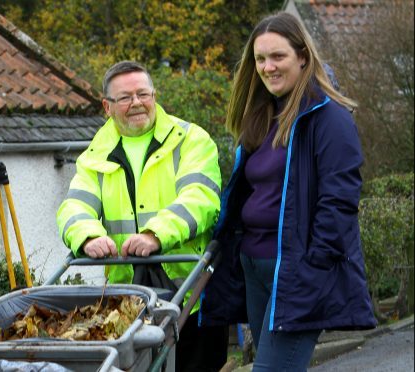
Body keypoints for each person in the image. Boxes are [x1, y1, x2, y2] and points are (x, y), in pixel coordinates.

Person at [199, 11, 376, 371]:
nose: (268, 67)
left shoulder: (329, 117)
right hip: (254, 267)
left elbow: (339, 203)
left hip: (296, 272)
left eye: (278, 56)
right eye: (260, 59)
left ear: (303, 57)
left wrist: (312, 269)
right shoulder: (262, 115)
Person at [57, 61, 228, 371]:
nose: (136, 103)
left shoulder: (191, 139)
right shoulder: (96, 154)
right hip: (129, 303)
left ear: (155, 96)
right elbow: (74, 206)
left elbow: (201, 198)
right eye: (125, 98)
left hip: (190, 293)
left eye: (143, 94)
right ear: (106, 107)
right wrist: (88, 235)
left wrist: (155, 234)